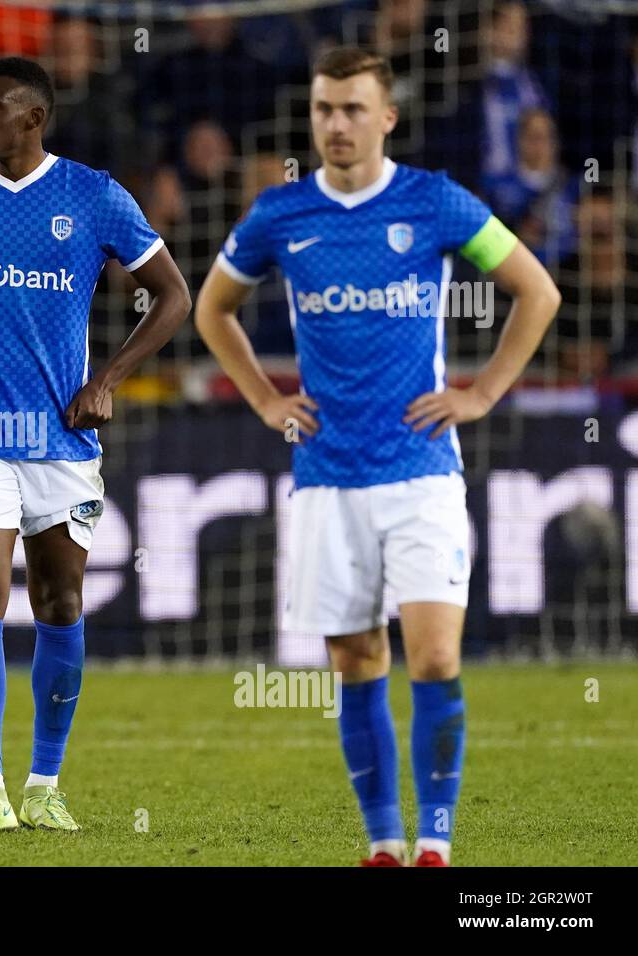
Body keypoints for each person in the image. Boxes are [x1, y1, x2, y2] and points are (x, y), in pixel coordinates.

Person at [194, 47, 561, 866]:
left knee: (433, 653)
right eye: (325, 109)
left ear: (386, 117)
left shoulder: (432, 201)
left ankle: (436, 842)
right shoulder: (281, 214)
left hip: (422, 467)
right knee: (357, 659)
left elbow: (538, 291)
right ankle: (385, 842)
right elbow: (213, 309)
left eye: (354, 109)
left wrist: (482, 394)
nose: (336, 125)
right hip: (327, 475)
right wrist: (264, 399)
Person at [0, 57, 190, 832]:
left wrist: (110, 380)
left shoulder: (93, 196)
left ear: (33, 118)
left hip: (63, 440)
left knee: (58, 602)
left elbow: (173, 295)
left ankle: (44, 785)